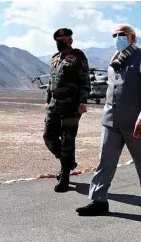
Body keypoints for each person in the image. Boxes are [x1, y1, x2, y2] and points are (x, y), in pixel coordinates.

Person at [76, 25, 141, 216]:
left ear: (132, 37)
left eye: (121, 35)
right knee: (104, 161)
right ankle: (98, 200)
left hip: (136, 121)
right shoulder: (114, 57)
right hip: (111, 120)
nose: (117, 37)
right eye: (114, 35)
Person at [43, 28, 91, 193]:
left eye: (63, 39)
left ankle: (64, 176)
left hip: (71, 106)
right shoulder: (55, 58)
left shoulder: (78, 56)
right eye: (58, 39)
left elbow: (85, 80)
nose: (60, 42)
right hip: (54, 105)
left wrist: (83, 101)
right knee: (48, 135)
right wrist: (47, 100)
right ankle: (68, 162)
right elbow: (51, 81)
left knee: (67, 141)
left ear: (70, 40)